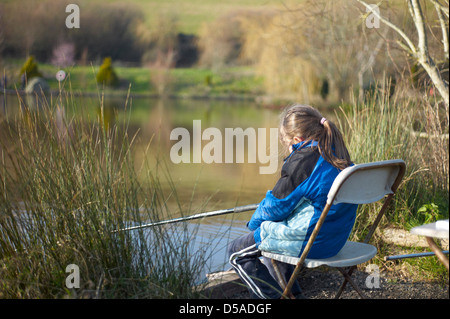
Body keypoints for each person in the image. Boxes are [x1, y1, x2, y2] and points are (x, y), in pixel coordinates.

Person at [228, 104, 358, 299]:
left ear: (297, 140)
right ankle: (294, 296)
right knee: (277, 235)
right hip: (336, 241)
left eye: (287, 143)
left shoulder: (304, 160)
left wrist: (254, 224)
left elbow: (275, 207)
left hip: (312, 243)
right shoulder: (339, 153)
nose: (289, 149)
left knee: (236, 252)